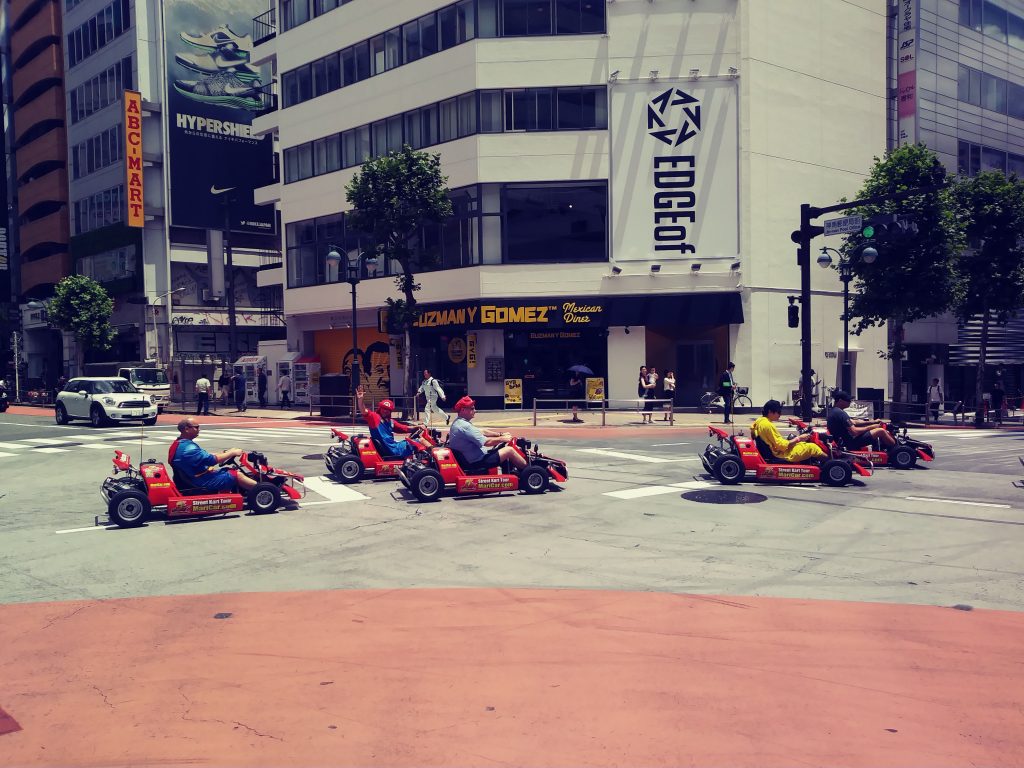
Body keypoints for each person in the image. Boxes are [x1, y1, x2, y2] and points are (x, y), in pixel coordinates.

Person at [169, 417, 257, 493]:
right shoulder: (188, 448)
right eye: (196, 427)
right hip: (199, 481)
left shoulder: (180, 444)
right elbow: (211, 460)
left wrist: (224, 454)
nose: (199, 429)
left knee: (228, 470)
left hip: (191, 478)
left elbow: (204, 456)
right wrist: (232, 453)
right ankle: (263, 490)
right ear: (186, 429)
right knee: (236, 474)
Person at [447, 396, 527, 472]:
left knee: (502, 449)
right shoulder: (465, 426)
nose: (475, 411)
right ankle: (529, 471)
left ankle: (512, 473)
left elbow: (482, 431)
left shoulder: (459, 423)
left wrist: (499, 434)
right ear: (463, 410)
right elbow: (486, 443)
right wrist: (503, 439)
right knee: (509, 450)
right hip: (477, 461)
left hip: (473, 459)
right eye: (472, 408)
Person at [751, 399, 826, 463]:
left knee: (801, 444)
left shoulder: (759, 421)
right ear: (770, 411)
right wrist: (799, 438)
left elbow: (753, 431)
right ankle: (830, 464)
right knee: (812, 447)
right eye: (778, 412)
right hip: (780, 454)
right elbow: (781, 445)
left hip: (773, 450)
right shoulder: (767, 425)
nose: (780, 415)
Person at [355, 385, 416, 457]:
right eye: (383, 408)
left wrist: (418, 427)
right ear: (380, 408)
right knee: (420, 441)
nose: (385, 411)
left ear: (390, 411)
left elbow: (404, 428)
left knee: (415, 440)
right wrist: (360, 400)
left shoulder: (390, 422)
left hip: (394, 447)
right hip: (392, 450)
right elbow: (363, 411)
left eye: (388, 410)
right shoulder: (375, 417)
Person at [826, 390, 896, 450]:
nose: (850, 402)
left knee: (872, 429)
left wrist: (872, 422)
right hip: (850, 443)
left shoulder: (834, 411)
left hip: (844, 440)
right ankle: (896, 449)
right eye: (848, 400)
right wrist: (873, 427)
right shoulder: (840, 413)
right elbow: (855, 432)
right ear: (840, 401)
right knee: (881, 431)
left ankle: (880, 447)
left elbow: (854, 422)